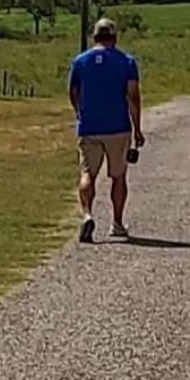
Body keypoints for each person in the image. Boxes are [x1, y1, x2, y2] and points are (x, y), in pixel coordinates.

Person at [68, 18, 144, 243]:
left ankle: (88, 214)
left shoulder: (80, 61)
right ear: (114, 37)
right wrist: (137, 128)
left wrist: (80, 113)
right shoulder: (126, 62)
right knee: (118, 176)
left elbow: (73, 92)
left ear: (94, 37)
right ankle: (117, 223)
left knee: (87, 173)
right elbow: (133, 96)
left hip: (90, 126)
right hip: (118, 127)